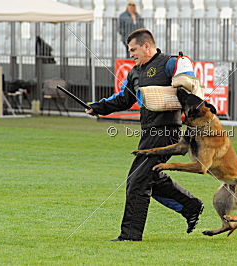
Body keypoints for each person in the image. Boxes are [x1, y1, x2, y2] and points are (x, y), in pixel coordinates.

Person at [86, 29, 204, 241]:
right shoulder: (135, 73)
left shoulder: (169, 63)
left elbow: (186, 71)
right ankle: (191, 205)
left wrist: (184, 76)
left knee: (137, 180)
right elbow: (123, 99)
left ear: (147, 46)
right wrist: (98, 107)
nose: (131, 54)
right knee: (150, 176)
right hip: (149, 133)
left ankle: (130, 235)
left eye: (134, 49)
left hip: (167, 132)